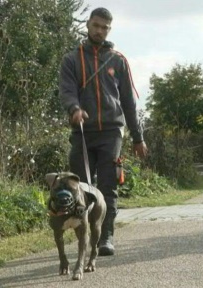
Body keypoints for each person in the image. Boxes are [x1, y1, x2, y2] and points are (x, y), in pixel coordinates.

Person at [59, 7, 148, 256]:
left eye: (105, 27)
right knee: (80, 187)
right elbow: (66, 90)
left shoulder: (117, 60)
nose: (99, 31)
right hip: (82, 133)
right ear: (88, 25)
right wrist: (74, 109)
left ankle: (106, 236)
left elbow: (129, 102)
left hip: (111, 132)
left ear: (109, 29)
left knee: (108, 187)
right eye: (96, 25)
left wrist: (138, 138)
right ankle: (84, 235)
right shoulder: (71, 59)